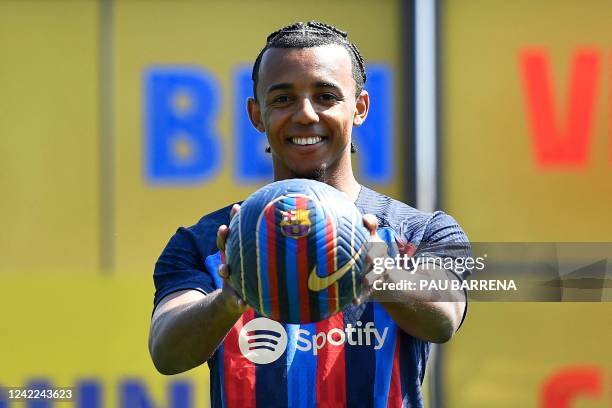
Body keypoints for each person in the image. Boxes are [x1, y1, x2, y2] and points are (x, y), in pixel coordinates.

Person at [149, 21, 468, 407]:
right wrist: (228, 299)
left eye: (326, 96)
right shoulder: (207, 241)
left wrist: (380, 272)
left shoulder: (419, 232)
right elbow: (166, 351)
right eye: (282, 99)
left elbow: (445, 316)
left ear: (360, 108)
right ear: (257, 114)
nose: (305, 114)